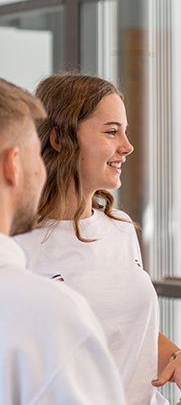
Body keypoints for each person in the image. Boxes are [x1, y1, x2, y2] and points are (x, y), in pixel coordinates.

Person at [15, 73, 181, 405]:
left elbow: (126, 330)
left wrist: (176, 356)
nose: (127, 146)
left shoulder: (121, 228)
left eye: (125, 132)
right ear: (58, 138)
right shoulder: (19, 246)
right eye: (112, 132)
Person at [0, 77, 126, 404]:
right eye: (33, 156)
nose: (127, 146)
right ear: (13, 165)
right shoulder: (51, 310)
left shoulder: (121, 228)